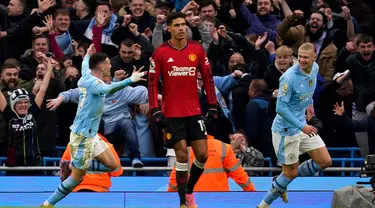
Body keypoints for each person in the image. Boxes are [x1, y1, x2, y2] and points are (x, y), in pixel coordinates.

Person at [41, 44, 146, 207]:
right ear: (102, 66)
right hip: (82, 136)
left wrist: (88, 55)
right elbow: (110, 88)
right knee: (77, 179)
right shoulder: (95, 84)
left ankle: (72, 164)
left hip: (92, 135)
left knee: (114, 166)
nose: (111, 65)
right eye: (108, 63)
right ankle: (47, 204)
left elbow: (84, 65)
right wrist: (130, 80)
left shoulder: (86, 75)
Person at [148, 11, 218, 208]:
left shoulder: (196, 49)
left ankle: (188, 190)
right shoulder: (160, 52)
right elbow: (152, 83)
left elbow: (208, 78)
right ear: (168, 28)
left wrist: (212, 104)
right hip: (172, 113)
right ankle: (182, 203)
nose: (180, 29)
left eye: (183, 25)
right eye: (176, 25)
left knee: (203, 155)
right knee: (181, 156)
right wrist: (155, 109)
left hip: (194, 111)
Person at [257, 43, 332, 208]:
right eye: (301, 57)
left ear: (314, 57)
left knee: (325, 161)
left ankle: (281, 181)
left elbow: (309, 88)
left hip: (301, 126)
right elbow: (280, 108)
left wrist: (310, 104)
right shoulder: (289, 77)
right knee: (290, 172)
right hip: (286, 131)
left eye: (306, 57)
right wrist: (302, 126)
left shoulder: (315, 68)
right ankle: (263, 205)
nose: (302, 61)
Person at [168, 134, 256, 192]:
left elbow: (174, 182)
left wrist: (167, 197)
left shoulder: (187, 150)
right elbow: (240, 176)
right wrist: (253, 193)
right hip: (221, 200)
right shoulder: (224, 148)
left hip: (194, 200)